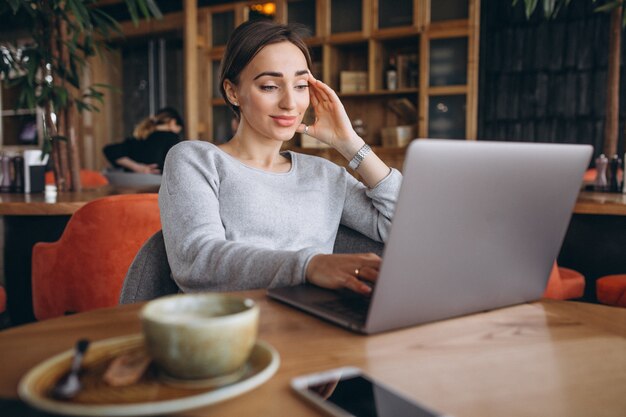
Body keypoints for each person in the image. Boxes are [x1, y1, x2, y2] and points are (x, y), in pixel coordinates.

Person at [160, 20, 402, 295]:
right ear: (232, 91)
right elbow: (195, 260)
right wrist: (309, 266)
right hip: (229, 325)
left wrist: (350, 144)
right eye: (269, 86)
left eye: (300, 85)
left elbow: (407, 227)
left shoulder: (325, 175)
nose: (290, 102)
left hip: (313, 321)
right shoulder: (196, 160)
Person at [103, 107, 184, 174]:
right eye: (178, 130)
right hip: (157, 189)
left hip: (134, 189)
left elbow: (110, 150)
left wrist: (138, 168)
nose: (177, 133)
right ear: (172, 122)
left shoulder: (138, 139)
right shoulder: (172, 137)